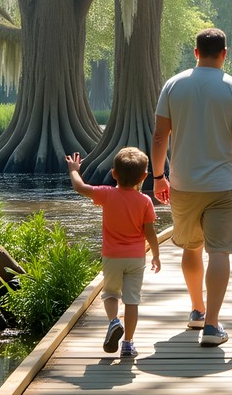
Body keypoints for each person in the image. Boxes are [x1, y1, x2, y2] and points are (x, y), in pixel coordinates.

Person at [151, 28, 232, 347]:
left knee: (190, 247)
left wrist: (158, 177)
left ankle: (197, 310)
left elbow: (159, 137)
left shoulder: (173, 85)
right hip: (224, 184)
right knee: (219, 251)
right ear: (225, 53)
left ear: (195, 52)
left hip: (183, 183)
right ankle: (212, 326)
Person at [66, 147, 161, 359]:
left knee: (110, 294)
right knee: (132, 300)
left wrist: (73, 169)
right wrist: (156, 254)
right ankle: (128, 343)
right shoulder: (145, 201)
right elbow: (150, 232)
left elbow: (80, 186)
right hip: (136, 258)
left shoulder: (107, 195)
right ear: (144, 177)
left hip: (112, 256)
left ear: (114, 173)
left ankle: (113, 321)